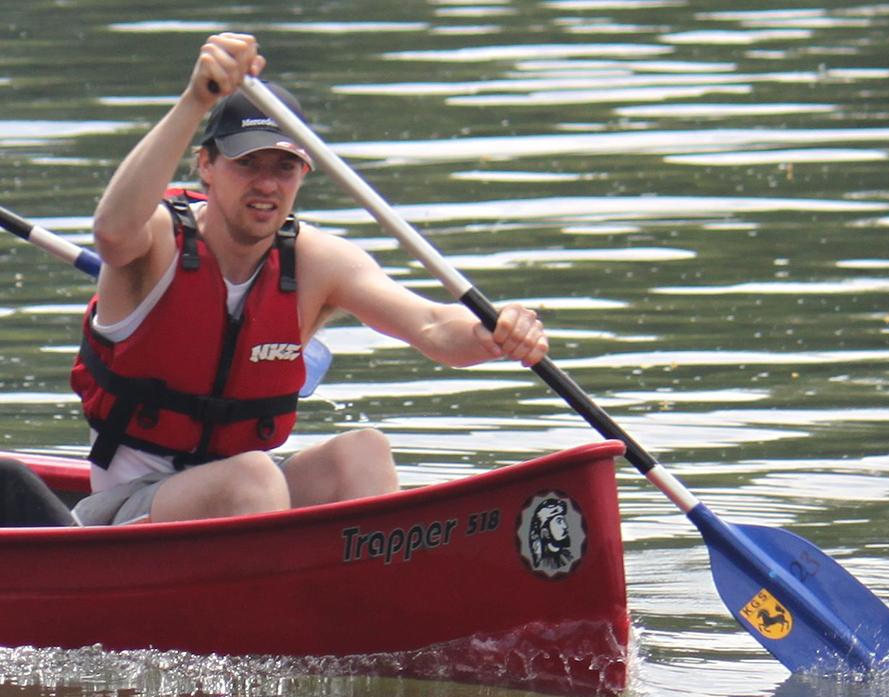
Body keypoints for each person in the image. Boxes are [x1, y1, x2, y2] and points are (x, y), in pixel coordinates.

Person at [69, 33, 548, 526]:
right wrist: (197, 100)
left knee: (363, 452)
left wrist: (493, 330)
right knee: (252, 478)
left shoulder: (315, 260)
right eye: (247, 163)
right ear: (207, 166)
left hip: (249, 494)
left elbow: (430, 325)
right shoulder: (157, 240)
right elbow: (110, 231)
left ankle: (374, 591)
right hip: (131, 509)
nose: (267, 184)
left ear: (302, 174)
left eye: (284, 167)